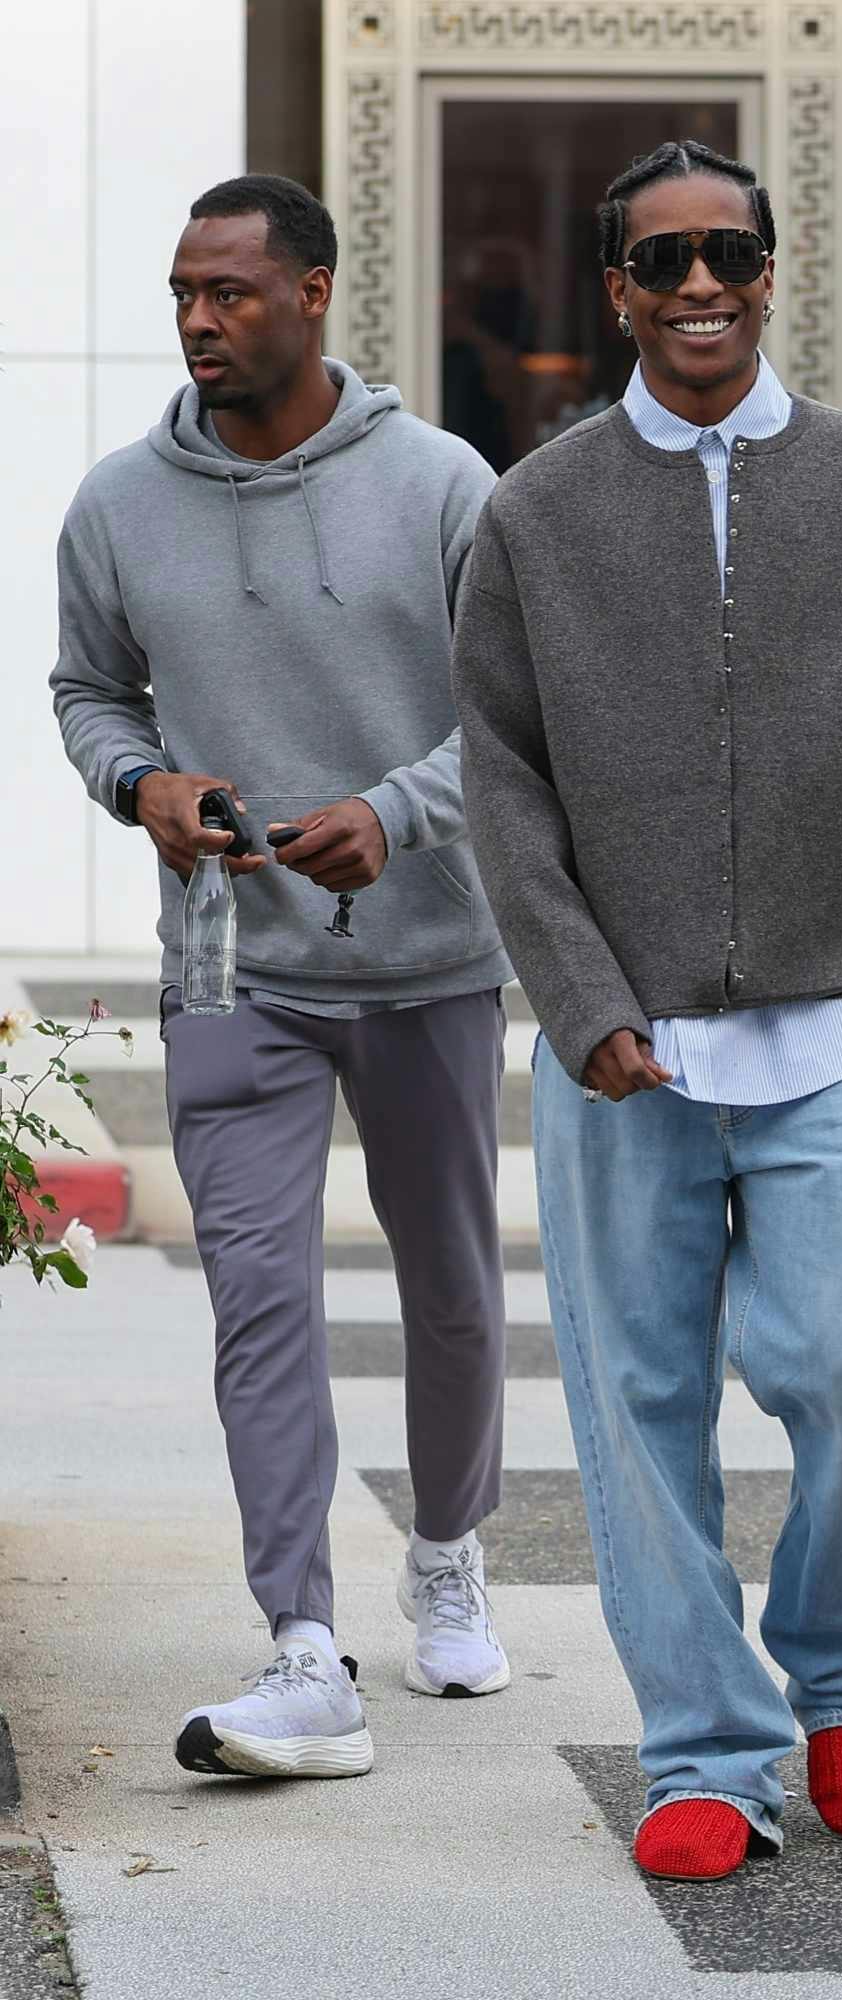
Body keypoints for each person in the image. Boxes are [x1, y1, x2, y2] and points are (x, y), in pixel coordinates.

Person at [451, 140, 842, 1882]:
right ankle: (705, 1747)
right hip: (617, 1055)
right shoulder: (534, 512)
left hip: (835, 1022)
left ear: (774, 273)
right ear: (615, 290)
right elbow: (500, 782)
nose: (699, 285)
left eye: (730, 254)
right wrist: (579, 995)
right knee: (635, 1409)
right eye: (662, 262)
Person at [51, 175, 513, 1780]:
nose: (197, 319)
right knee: (260, 1300)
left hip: (433, 956)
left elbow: (517, 717)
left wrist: (393, 815)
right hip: (229, 964)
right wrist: (140, 788)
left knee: (448, 1285)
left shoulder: (443, 483)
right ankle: (300, 1644)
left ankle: (448, 1553)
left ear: (313, 293)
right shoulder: (118, 501)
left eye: (231, 292)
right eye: (183, 290)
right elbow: (89, 690)